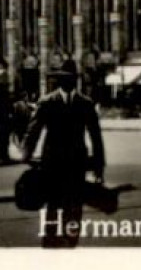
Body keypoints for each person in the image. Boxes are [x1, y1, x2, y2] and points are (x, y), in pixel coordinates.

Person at [23, 61, 106, 249]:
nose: (67, 82)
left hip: (76, 162)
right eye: (63, 78)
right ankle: (50, 241)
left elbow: (96, 136)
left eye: (70, 78)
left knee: (75, 205)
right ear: (59, 80)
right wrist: (27, 154)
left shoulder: (86, 104)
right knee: (52, 203)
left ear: (75, 80)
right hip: (52, 162)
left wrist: (99, 167)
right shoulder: (47, 102)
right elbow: (34, 130)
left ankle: (71, 242)